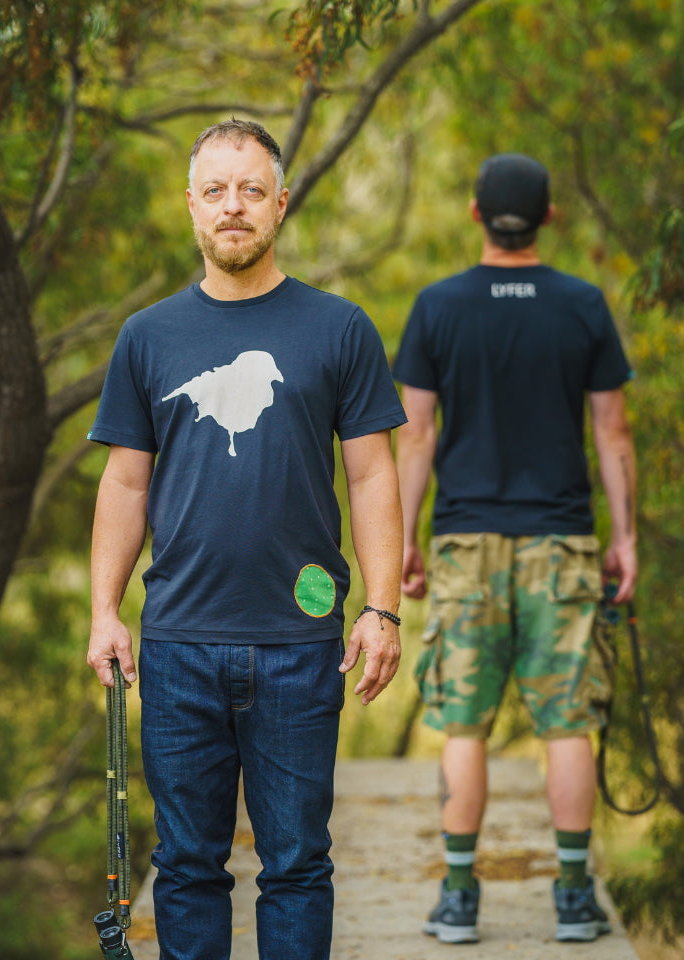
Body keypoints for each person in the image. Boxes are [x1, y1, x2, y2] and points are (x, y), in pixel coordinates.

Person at [87, 119, 406, 960]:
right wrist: (103, 612)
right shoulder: (147, 337)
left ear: (281, 203)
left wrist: (382, 609)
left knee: (296, 866)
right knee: (187, 867)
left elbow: (373, 476)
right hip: (178, 646)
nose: (234, 206)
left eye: (252, 190)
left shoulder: (340, 328)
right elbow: (125, 484)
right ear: (191, 205)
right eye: (217, 191)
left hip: (300, 646)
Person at [393, 153, 637, 944]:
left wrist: (403, 539)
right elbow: (612, 430)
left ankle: (459, 899)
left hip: (464, 543)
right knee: (567, 725)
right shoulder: (582, 305)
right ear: (548, 218)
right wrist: (624, 538)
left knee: (464, 727)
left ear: (476, 215)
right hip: (561, 542)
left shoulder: (437, 307)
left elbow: (415, 434)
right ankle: (572, 898)